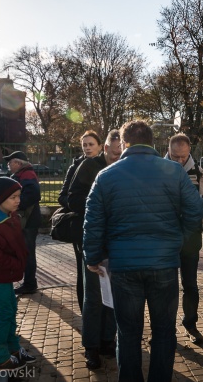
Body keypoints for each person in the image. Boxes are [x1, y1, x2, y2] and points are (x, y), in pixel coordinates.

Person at [83, 120, 203, 382]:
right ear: (153, 143)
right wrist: (178, 242)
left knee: (128, 333)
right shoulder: (174, 171)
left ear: (124, 143)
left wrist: (92, 257)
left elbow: (92, 221)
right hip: (164, 264)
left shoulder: (106, 176)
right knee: (164, 331)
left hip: (124, 267)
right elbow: (196, 210)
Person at [67, 130, 122, 370]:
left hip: (118, 242)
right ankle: (91, 347)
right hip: (93, 239)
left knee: (112, 294)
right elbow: (71, 198)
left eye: (120, 151)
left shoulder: (125, 167)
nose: (115, 154)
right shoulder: (90, 167)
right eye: (112, 149)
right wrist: (98, 206)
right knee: (93, 296)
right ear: (105, 147)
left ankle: (108, 340)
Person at [0, 177, 36, 371]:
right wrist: (17, 263)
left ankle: (14, 348)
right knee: (4, 314)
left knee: (10, 311)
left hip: (4, 275)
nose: (18, 200)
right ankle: (0, 357)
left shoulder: (9, 215)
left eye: (19, 196)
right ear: (1, 199)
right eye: (13, 197)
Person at [166, 133, 203, 345]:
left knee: (190, 284)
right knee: (165, 286)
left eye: (183, 157)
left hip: (191, 236)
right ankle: (164, 330)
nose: (179, 161)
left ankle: (191, 323)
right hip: (165, 237)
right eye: (175, 156)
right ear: (168, 151)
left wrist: (195, 212)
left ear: (189, 153)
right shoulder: (158, 169)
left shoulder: (197, 171)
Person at [57, 130, 103, 310]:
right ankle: (86, 311)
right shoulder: (75, 167)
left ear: (100, 146)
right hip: (82, 225)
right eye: (84, 145)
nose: (87, 148)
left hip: (104, 225)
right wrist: (81, 204)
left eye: (91, 144)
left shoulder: (106, 165)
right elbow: (63, 196)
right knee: (84, 270)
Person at [3, 151, 41, 295]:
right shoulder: (22, 175)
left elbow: (33, 195)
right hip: (26, 220)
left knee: (28, 253)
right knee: (25, 252)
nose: (8, 164)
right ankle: (28, 282)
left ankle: (30, 284)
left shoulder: (27, 175)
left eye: (10, 162)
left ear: (18, 163)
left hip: (28, 221)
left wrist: (15, 205)